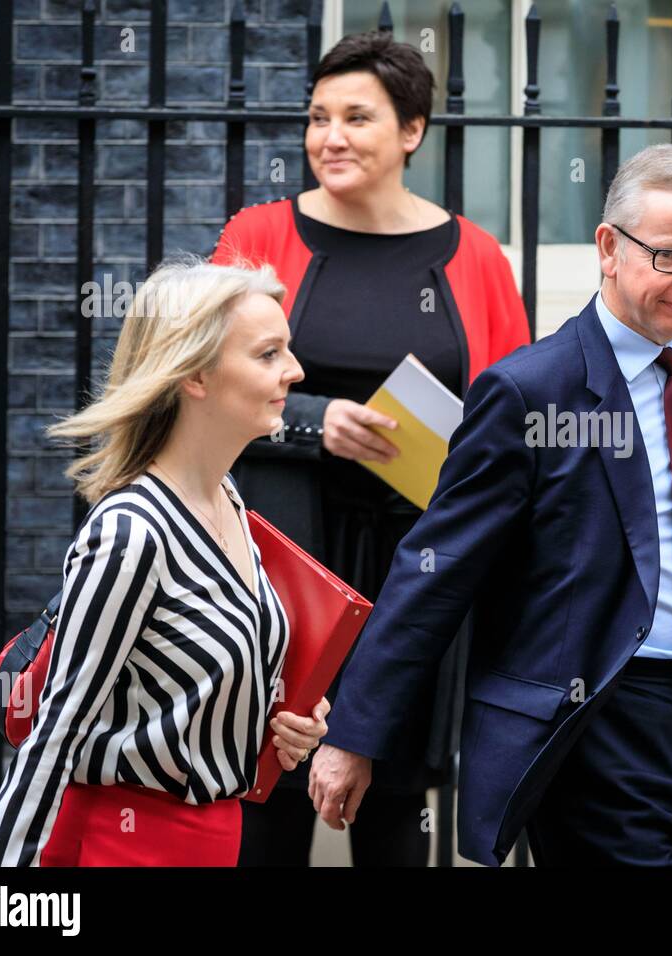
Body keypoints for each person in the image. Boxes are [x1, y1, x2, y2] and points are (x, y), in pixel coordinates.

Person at [308, 142, 672, 867]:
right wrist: (355, 734)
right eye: (670, 256)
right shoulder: (529, 391)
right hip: (602, 720)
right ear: (609, 248)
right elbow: (435, 568)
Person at [211, 30, 529, 868]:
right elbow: (201, 385)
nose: (331, 137)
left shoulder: (477, 257)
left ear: (412, 132)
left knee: (394, 809)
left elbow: (513, 420)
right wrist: (318, 422)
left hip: (414, 567)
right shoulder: (258, 235)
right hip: (277, 563)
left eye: (357, 117)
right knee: (267, 794)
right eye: (318, 117)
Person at [0, 258, 331, 866]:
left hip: (215, 837)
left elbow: (180, 680)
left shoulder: (227, 500)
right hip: (124, 845)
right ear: (194, 374)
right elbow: (56, 729)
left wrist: (274, 718)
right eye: (268, 354)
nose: (294, 371)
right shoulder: (131, 532)